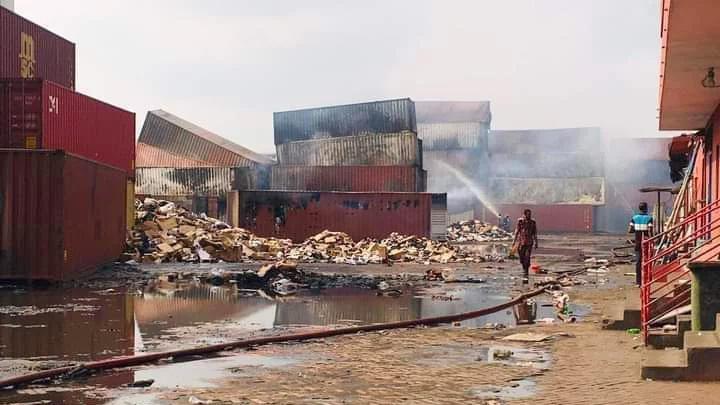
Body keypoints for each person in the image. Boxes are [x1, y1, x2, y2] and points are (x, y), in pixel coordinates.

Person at [628, 202, 653, 286]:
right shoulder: (649, 218)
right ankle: (647, 279)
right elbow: (650, 231)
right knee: (647, 261)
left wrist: (636, 229)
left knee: (638, 262)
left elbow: (630, 230)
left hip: (638, 243)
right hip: (646, 243)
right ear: (646, 208)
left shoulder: (634, 218)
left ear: (639, 208)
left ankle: (638, 282)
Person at [514, 209, 538, 283]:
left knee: (527, 257)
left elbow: (535, 233)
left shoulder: (533, 222)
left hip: (529, 243)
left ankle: (526, 271)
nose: (529, 215)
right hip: (521, 242)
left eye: (530, 214)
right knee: (521, 257)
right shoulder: (520, 221)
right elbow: (517, 231)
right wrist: (514, 241)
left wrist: (536, 242)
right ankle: (524, 266)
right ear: (524, 214)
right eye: (528, 214)